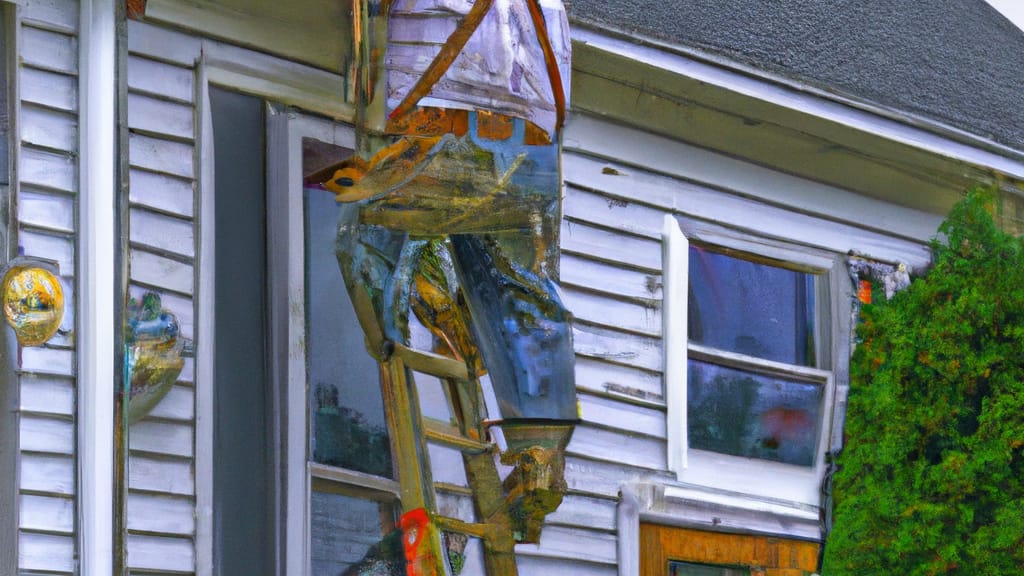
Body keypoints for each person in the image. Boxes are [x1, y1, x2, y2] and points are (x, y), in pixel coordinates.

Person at [326, 0, 577, 543]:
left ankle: (390, 342)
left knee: (363, 237)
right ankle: (540, 459)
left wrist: (386, 336)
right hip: (528, 126)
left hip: (438, 105)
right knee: (519, 285)